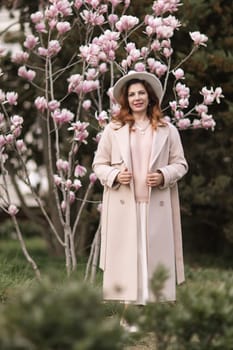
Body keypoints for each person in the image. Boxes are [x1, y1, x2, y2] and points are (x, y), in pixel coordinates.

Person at [92, 71, 188, 305]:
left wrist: (163, 175)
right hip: (125, 205)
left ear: (150, 97)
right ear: (126, 99)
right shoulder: (113, 130)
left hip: (156, 205)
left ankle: (154, 305)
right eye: (132, 94)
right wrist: (115, 175)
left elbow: (181, 164)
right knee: (128, 257)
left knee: (153, 255)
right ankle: (127, 309)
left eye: (141, 93)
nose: (137, 98)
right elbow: (99, 164)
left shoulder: (168, 129)